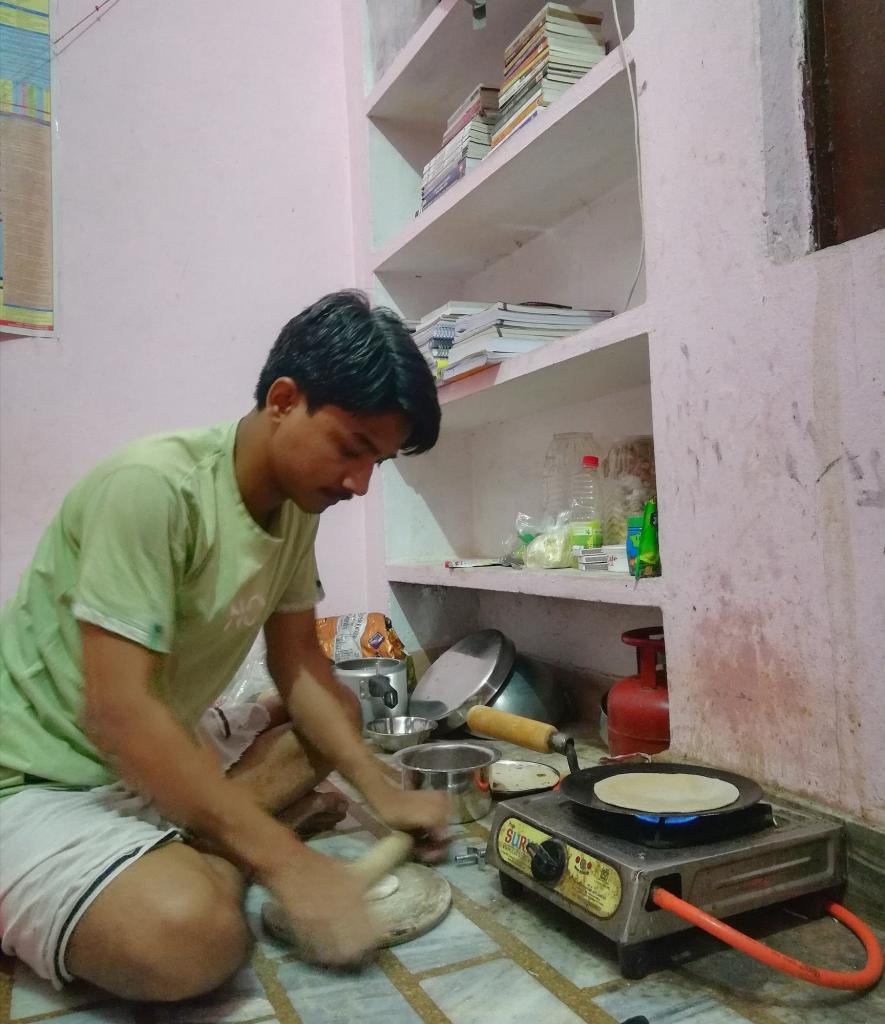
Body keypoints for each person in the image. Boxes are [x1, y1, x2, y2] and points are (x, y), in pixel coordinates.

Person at [0, 290, 449, 1001]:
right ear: (282, 398)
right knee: (192, 937)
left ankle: (201, 841)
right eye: (352, 449)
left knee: (330, 728)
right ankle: (209, 852)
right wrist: (287, 864)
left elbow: (298, 662)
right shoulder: (153, 487)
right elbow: (117, 713)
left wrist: (376, 788)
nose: (359, 483)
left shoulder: (295, 506)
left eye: (379, 463)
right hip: (43, 781)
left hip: (156, 755)